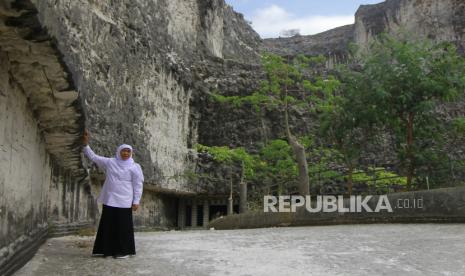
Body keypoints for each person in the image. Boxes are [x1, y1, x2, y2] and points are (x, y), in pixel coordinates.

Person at [82, 129, 144, 259]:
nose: (126, 153)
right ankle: (108, 251)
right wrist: (85, 144)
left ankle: (123, 251)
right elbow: (93, 157)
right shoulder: (111, 162)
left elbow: (138, 185)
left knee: (123, 227)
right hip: (110, 198)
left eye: (128, 151)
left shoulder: (135, 167)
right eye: (124, 150)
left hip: (125, 200)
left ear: (131, 153)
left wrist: (136, 201)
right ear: (119, 151)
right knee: (108, 225)